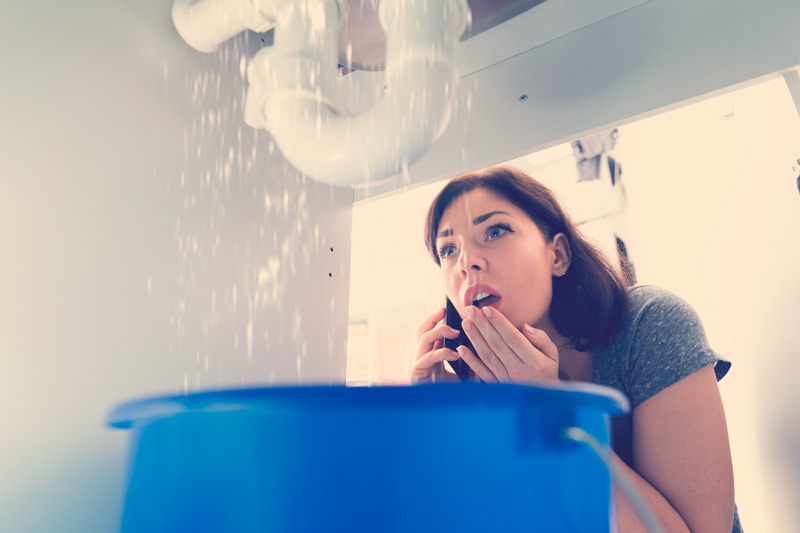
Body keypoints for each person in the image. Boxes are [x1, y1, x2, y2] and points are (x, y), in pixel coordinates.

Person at [410, 166, 742, 532]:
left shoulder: (649, 324)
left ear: (558, 256)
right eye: (448, 249)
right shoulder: (477, 391)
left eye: (495, 231)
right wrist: (443, 428)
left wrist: (555, 411)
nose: (465, 263)